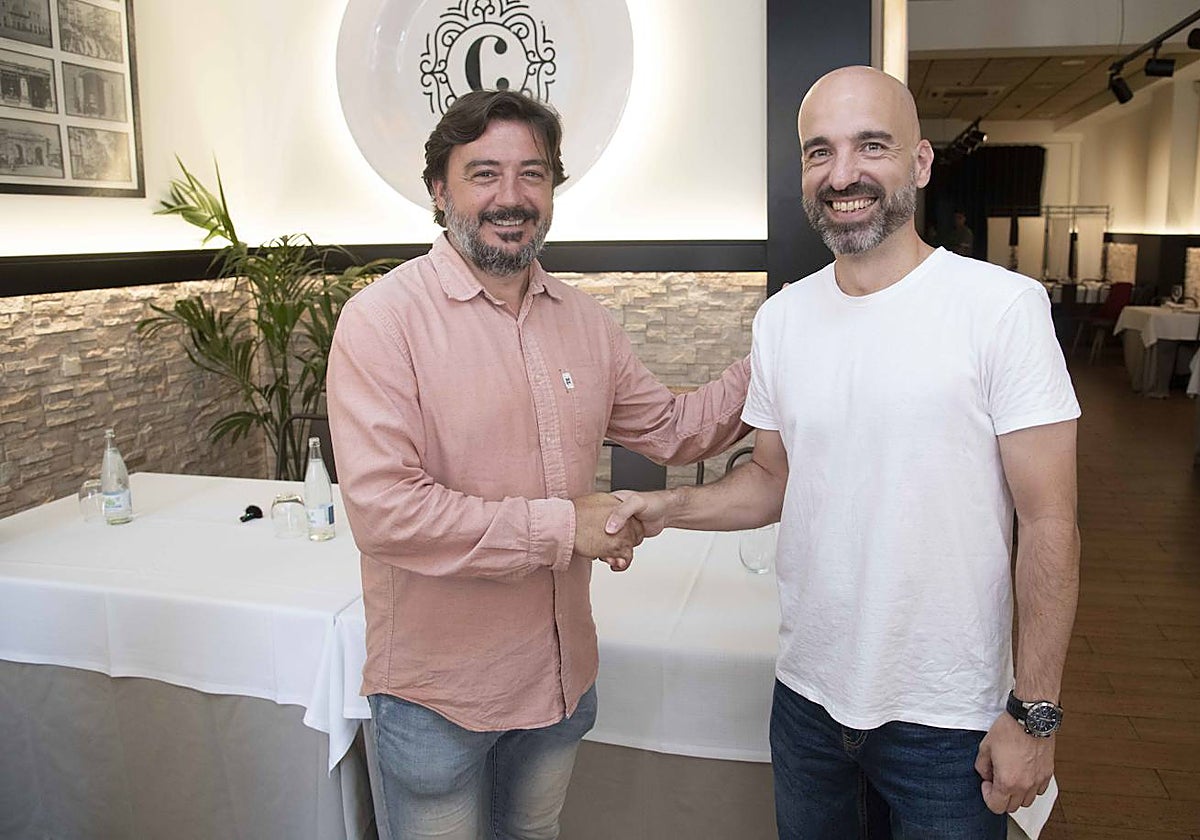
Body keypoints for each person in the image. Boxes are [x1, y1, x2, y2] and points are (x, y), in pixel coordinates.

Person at [606, 65, 1081, 839]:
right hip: (806, 703)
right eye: (819, 151)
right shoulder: (784, 319)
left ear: (920, 164)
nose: (843, 173)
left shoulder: (1001, 309)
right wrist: (667, 507)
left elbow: (1052, 524)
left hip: (947, 718)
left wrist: (1034, 715)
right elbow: (771, 481)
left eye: (871, 146)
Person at [325, 90, 749, 840]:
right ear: (438, 189)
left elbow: (677, 429)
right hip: (437, 697)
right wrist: (564, 527)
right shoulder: (381, 322)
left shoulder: (587, 324)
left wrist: (781, 351)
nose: (511, 197)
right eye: (484, 173)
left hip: (559, 682)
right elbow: (387, 513)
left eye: (533, 174)